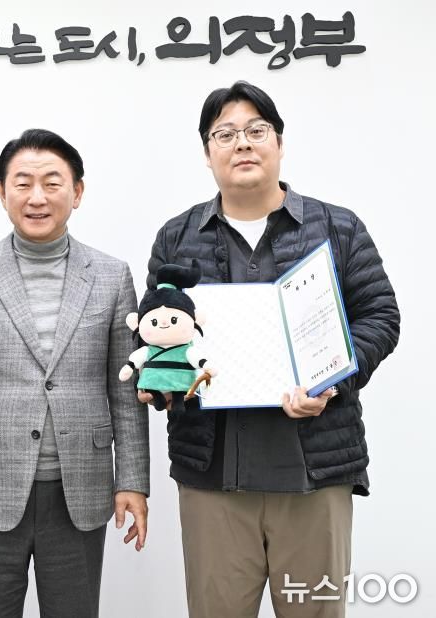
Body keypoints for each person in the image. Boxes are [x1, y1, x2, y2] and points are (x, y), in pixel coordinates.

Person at [146, 81, 399, 618]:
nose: (242, 143)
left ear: (279, 143)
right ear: (207, 152)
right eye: (225, 134)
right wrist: (162, 383)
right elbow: (156, 333)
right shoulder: (176, 238)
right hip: (213, 479)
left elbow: (380, 316)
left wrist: (332, 382)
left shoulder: (338, 227)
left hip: (314, 475)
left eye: (256, 130)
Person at [0, 129, 150, 618]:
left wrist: (133, 480)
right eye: (23, 183)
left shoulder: (112, 275)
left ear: (77, 192)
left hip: (80, 488)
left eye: (52, 182)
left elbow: (125, 392)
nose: (37, 197)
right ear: (1, 191)